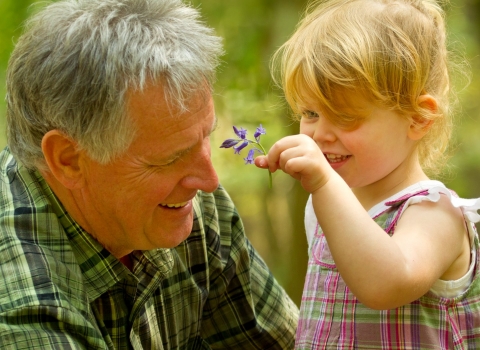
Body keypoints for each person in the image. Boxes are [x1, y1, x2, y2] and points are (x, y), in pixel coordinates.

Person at [0, 0, 299, 348]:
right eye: (170, 158)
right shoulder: (21, 304)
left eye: (206, 137)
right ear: (68, 160)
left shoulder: (190, 207)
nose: (209, 181)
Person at [255, 0, 480, 348]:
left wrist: (325, 185)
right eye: (311, 112)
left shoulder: (435, 214)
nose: (320, 134)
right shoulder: (328, 208)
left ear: (418, 119)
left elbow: (386, 284)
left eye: (345, 116)